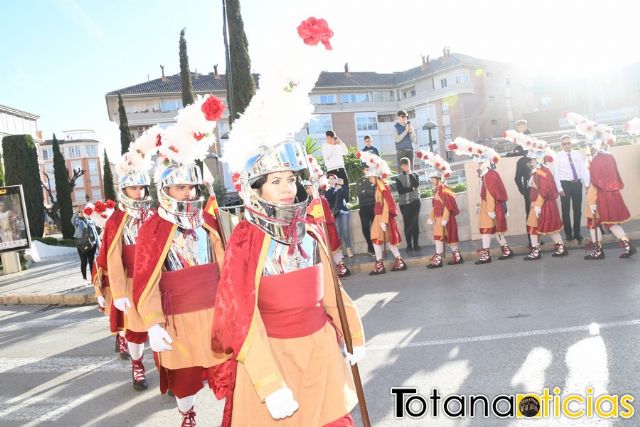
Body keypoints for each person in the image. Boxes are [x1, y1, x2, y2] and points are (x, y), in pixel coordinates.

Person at [214, 139, 366, 425]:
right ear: (255, 188)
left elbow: (333, 295)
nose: (288, 188)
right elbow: (241, 318)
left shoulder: (310, 231)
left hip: (321, 356)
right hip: (275, 358)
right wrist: (269, 385)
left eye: (292, 179)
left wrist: (353, 335)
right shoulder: (245, 241)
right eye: (276, 181)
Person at [133, 95, 232, 426]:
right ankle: (187, 414)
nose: (188, 193)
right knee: (185, 377)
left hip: (215, 314)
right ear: (165, 190)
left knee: (231, 373)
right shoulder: (153, 228)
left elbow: (226, 266)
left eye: (191, 186)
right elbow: (146, 279)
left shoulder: (207, 219)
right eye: (180, 188)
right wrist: (152, 322)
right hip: (179, 318)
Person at [97, 131, 159, 391]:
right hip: (131, 282)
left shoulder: (157, 214)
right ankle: (137, 366)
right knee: (135, 331)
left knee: (161, 326)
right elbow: (110, 258)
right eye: (134, 187)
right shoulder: (115, 221)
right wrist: (119, 291)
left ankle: (168, 367)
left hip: (156, 281)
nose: (139, 191)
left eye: (142, 187)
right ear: (124, 189)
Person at [448, 138, 514, 264]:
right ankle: (506, 250)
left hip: (491, 207)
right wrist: (480, 205)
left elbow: (490, 194)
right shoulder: (488, 174)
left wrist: (489, 210)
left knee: (486, 230)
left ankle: (486, 254)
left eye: (480, 163)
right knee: (494, 230)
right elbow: (485, 193)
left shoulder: (489, 175)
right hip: (490, 206)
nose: (478, 165)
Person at [582, 136, 636, 260]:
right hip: (612, 194)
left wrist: (591, 201)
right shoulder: (610, 157)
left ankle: (598, 251)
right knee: (611, 223)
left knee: (593, 224)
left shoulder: (594, 160)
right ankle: (627, 246)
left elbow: (594, 182)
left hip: (598, 195)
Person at [359, 150, 408, 275]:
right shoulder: (380, 187)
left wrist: (384, 220)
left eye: (371, 177)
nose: (370, 179)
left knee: (377, 240)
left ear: (376, 177)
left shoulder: (382, 187)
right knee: (381, 241)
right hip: (379, 217)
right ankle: (397, 261)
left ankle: (382, 264)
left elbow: (387, 205)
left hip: (382, 218)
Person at [416, 151, 462, 267]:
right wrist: (431, 217)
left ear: (439, 178)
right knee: (439, 238)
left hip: (444, 219)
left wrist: (445, 219)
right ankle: (448, 257)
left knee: (447, 239)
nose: (431, 181)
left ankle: (443, 258)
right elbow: (435, 206)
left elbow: (448, 206)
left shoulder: (444, 190)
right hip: (438, 219)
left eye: (433, 178)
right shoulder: (437, 190)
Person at [523, 149, 567, 261]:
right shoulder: (538, 171)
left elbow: (544, 189)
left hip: (542, 204)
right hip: (539, 203)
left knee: (544, 227)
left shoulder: (542, 171)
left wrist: (538, 205)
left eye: (532, 160)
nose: (530, 162)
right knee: (540, 227)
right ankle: (557, 248)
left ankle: (537, 251)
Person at [303, 179, 351, 278]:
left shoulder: (318, 199)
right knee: (331, 251)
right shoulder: (317, 199)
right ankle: (340, 269)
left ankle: (342, 269)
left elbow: (312, 213)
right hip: (325, 227)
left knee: (332, 250)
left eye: (308, 188)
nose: (307, 191)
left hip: (327, 228)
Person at [554, 135, 588, 242]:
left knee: (577, 210)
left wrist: (586, 184)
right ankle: (568, 234)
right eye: (564, 144)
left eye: (568, 143)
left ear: (571, 143)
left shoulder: (577, 154)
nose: (567, 145)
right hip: (565, 185)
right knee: (565, 210)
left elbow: (582, 170)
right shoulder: (558, 156)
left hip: (577, 184)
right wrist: (559, 188)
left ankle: (577, 232)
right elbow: (556, 174)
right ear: (561, 145)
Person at [394, 157, 421, 251]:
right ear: (401, 166)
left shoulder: (415, 174)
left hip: (415, 201)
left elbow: (416, 184)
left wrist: (410, 174)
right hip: (404, 204)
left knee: (415, 224)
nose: (406, 167)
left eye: (407, 165)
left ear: (409, 165)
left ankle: (416, 244)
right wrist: (411, 189)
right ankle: (409, 245)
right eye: (404, 165)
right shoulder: (398, 178)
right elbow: (400, 191)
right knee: (407, 224)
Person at [324, 174, 353, 257]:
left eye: (334, 179)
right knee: (337, 231)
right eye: (330, 179)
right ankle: (339, 251)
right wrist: (332, 188)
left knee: (345, 230)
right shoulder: (327, 190)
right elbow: (327, 199)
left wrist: (342, 185)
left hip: (343, 211)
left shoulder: (340, 187)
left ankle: (348, 249)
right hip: (334, 213)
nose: (332, 181)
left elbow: (347, 197)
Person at [72, 208, 99, 286]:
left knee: (91, 262)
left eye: (83, 212)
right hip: (81, 246)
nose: (82, 213)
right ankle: (85, 279)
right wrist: (77, 212)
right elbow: (72, 220)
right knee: (84, 262)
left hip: (91, 245)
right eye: (81, 212)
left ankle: (93, 278)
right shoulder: (77, 222)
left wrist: (97, 244)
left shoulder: (91, 222)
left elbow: (95, 233)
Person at [321, 130, 350, 199]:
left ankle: (346, 202)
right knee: (333, 187)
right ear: (327, 137)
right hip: (331, 170)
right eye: (328, 138)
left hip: (341, 169)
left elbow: (346, 152)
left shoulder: (338, 145)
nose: (330, 139)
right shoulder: (325, 146)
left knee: (345, 185)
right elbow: (326, 156)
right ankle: (334, 204)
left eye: (332, 138)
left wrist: (341, 143)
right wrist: (333, 146)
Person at [355, 166, 376, 255]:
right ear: (363, 170)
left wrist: (365, 191)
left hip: (374, 206)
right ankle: (370, 246)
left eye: (368, 168)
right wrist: (369, 191)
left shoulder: (374, 179)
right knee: (365, 227)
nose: (367, 170)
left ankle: (377, 245)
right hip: (364, 207)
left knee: (376, 227)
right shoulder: (359, 180)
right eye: (365, 169)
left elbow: (375, 193)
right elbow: (359, 193)